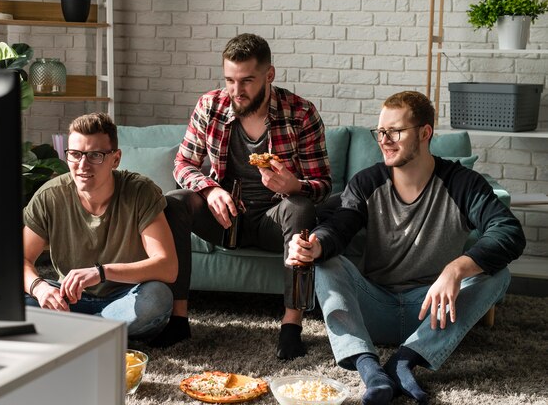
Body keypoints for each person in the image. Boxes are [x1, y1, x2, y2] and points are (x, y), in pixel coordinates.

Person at [287, 91, 526, 404]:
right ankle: (368, 367)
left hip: (433, 313)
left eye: (395, 131)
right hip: (373, 306)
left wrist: (456, 269)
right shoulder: (367, 182)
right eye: (381, 132)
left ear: (425, 133)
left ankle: (403, 361)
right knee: (326, 262)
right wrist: (316, 245)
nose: (384, 140)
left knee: (498, 274)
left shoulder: (462, 183)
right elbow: (339, 224)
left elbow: (509, 231)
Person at [156, 33, 332, 358]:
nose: (237, 91)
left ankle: (292, 325)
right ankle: (178, 319)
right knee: (174, 201)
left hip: (274, 220)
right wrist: (209, 190)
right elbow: (182, 163)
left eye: (247, 81)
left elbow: (322, 184)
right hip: (226, 219)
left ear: (269, 75)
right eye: (230, 80)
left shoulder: (301, 114)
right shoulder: (211, 105)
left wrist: (294, 186)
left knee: (301, 207)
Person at [23, 112, 178, 341]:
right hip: (70, 300)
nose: (82, 165)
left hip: (127, 298)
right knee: (3, 297)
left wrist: (101, 273)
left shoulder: (140, 192)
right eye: (75, 155)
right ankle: (98, 333)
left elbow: (167, 267)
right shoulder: (50, 196)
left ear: (115, 159)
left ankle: (74, 332)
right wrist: (40, 288)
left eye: (95, 155)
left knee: (157, 298)